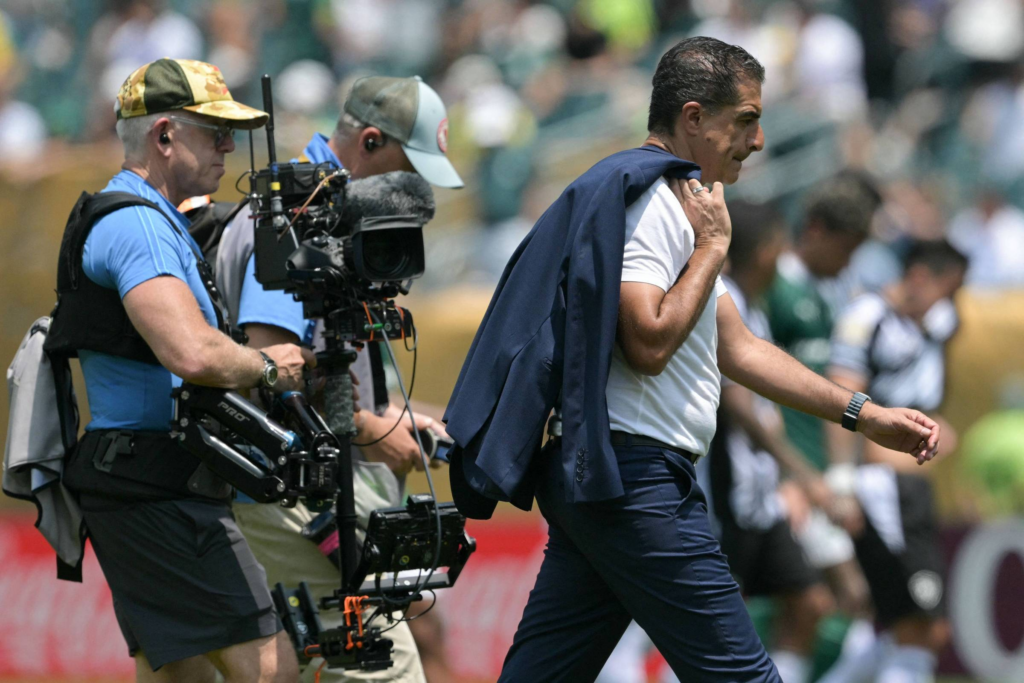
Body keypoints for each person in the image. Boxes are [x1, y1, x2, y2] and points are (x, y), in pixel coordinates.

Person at [444, 36, 940, 682]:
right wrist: (711, 250)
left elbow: (740, 348)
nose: (758, 141)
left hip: (608, 481)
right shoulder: (658, 203)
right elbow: (648, 342)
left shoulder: (678, 201)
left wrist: (864, 414)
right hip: (637, 483)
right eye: (746, 120)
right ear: (694, 117)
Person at [56, 59, 313, 682]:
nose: (228, 146)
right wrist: (268, 367)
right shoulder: (138, 225)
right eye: (216, 132)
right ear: (165, 135)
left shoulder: (148, 219)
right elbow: (191, 354)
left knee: (183, 675)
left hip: (142, 479)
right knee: (271, 668)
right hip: (156, 485)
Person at [216, 75, 464, 683]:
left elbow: (329, 365)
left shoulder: (334, 212)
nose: (414, 188)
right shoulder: (298, 215)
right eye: (410, 166)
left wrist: (397, 418)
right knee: (386, 671)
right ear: (371, 141)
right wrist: (372, 428)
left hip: (311, 489)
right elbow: (269, 367)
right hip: (291, 493)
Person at [820, 240, 966, 683]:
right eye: (948, 290)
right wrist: (842, 482)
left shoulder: (932, 325)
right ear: (920, 278)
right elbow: (840, 396)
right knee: (920, 628)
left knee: (912, 627)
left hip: (910, 493)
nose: (949, 303)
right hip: (884, 489)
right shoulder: (868, 317)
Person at [702, 200, 835, 683]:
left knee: (810, 603)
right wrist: (801, 473)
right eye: (781, 245)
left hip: (760, 499)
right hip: (729, 496)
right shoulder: (725, 303)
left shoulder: (752, 309)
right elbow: (740, 410)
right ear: (766, 251)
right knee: (715, 627)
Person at [763, 177, 880, 674]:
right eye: (845, 248)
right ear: (814, 230)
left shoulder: (835, 295)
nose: (848, 261)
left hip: (819, 474)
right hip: (787, 475)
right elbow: (750, 391)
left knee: (816, 606)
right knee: (830, 598)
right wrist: (791, 475)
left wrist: (840, 474)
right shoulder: (772, 288)